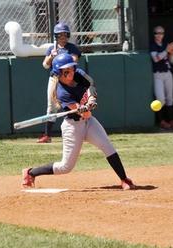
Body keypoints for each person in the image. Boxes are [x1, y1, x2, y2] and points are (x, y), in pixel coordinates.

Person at [22, 53, 135, 190]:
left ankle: (124, 179)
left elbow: (91, 85)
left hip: (88, 122)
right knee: (65, 167)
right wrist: (84, 108)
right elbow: (86, 113)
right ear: (59, 73)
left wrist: (91, 99)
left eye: (72, 68)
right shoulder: (62, 93)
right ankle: (30, 172)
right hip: (73, 127)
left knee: (107, 146)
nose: (71, 72)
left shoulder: (78, 74)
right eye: (66, 71)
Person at [38, 22, 82, 143]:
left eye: (64, 34)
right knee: (51, 106)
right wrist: (52, 56)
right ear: (56, 36)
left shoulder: (71, 48)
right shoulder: (52, 48)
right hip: (55, 79)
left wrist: (61, 55)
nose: (62, 37)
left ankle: (78, 131)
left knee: (70, 104)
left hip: (68, 79)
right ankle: (47, 135)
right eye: (60, 35)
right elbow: (45, 65)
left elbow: (74, 60)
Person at [149, 25, 173, 130]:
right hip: (158, 75)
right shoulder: (153, 46)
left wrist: (172, 53)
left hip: (167, 73)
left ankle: (172, 120)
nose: (159, 35)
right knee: (160, 99)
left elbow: (172, 61)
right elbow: (156, 59)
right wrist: (166, 50)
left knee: (170, 98)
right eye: (157, 33)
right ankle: (162, 121)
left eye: (161, 33)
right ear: (154, 34)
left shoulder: (166, 44)